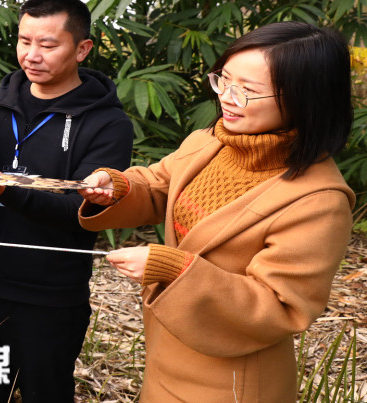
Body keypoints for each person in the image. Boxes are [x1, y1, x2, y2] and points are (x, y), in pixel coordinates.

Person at [77, 22, 354, 401]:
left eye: (247, 92)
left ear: (306, 99)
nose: (226, 97)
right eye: (223, 80)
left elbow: (279, 306)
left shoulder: (319, 202)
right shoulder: (210, 141)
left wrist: (175, 270)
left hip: (232, 380)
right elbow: (160, 185)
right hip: (166, 353)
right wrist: (119, 188)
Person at [0, 0, 134, 401]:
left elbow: (79, 209)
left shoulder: (108, 124)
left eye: (47, 45)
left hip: (51, 296)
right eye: (23, 41)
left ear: (82, 49)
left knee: (46, 392)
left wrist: (7, 191)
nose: (32, 55)